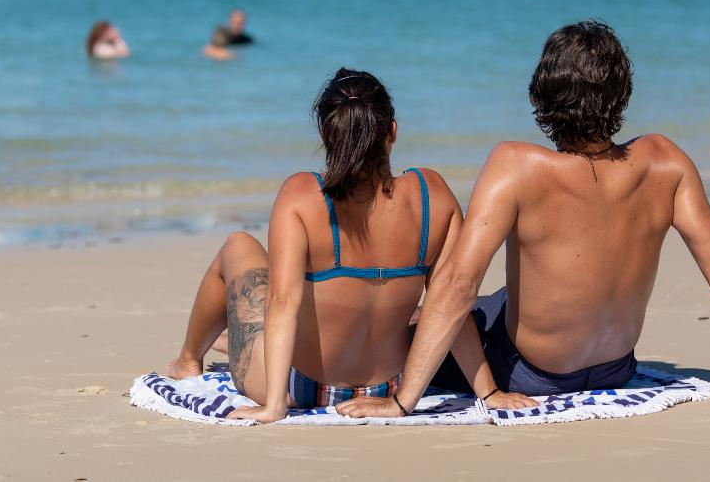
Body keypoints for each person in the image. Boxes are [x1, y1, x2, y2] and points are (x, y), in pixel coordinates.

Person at [337, 21, 710, 420]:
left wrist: (404, 402)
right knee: (485, 304)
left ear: (542, 96)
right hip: (617, 365)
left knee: (410, 322)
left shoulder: (515, 166)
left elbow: (455, 279)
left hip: (532, 372)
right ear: (622, 95)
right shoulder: (666, 162)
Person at [163, 69, 535, 422]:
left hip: (302, 387)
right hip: (387, 386)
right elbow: (453, 300)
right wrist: (488, 392)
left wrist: (274, 405)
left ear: (327, 134)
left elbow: (283, 301)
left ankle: (188, 360)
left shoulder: (302, 194)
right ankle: (231, 346)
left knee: (238, 245)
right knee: (424, 307)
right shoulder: (431, 194)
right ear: (392, 130)